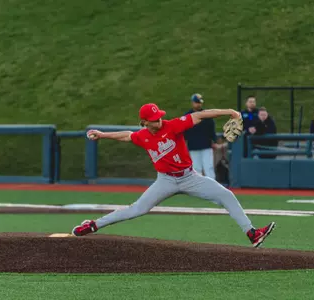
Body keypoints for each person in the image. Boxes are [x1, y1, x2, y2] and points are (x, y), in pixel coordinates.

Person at [72, 103, 276, 247]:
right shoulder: (142, 136)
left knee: (226, 195)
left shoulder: (172, 125)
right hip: (166, 180)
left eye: (159, 116)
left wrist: (230, 112)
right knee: (137, 209)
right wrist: (102, 135)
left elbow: (200, 115)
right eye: (153, 119)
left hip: (190, 178)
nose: (158, 120)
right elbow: (127, 135)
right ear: (144, 122)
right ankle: (94, 225)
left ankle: (252, 233)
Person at [183, 94, 217, 179]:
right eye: (197, 103)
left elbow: (211, 129)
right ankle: (199, 188)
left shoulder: (206, 115)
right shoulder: (188, 116)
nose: (199, 104)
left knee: (208, 167)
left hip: (206, 145)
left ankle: (213, 186)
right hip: (193, 145)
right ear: (193, 103)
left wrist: (214, 140)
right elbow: (184, 131)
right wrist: (184, 143)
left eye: (200, 103)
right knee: (196, 168)